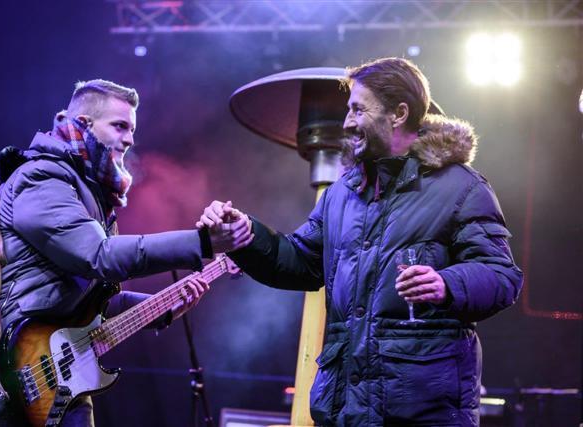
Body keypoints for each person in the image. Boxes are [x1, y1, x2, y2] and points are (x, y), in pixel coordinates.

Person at [198, 58, 523, 426]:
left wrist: (446, 284)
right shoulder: (341, 194)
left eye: (358, 109)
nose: (347, 123)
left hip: (422, 415)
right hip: (346, 412)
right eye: (348, 110)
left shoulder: (462, 187)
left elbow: (502, 276)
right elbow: (300, 262)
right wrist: (246, 236)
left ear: (399, 114)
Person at [0, 79, 249, 426]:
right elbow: (100, 256)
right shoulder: (41, 178)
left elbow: (94, 301)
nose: (129, 139)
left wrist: (162, 307)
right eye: (119, 126)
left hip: (62, 374)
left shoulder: (92, 198)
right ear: (84, 124)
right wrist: (202, 242)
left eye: (132, 129)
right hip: (12, 367)